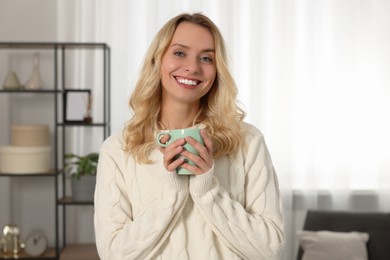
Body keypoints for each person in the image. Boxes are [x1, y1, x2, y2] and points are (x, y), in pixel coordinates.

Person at [94, 12, 284, 260]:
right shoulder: (118, 150)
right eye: (179, 53)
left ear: (217, 70)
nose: (193, 67)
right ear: (157, 59)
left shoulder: (248, 142)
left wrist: (207, 191)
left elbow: (270, 250)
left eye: (206, 58)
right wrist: (171, 195)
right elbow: (113, 254)